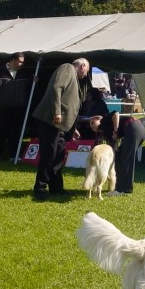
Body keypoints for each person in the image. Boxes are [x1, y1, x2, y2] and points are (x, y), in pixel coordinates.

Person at [32, 58, 90, 200]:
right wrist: (57, 112)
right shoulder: (67, 68)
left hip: (61, 124)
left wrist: (72, 127)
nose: (85, 74)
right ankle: (40, 187)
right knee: (49, 154)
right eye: (87, 71)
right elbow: (56, 88)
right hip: (51, 120)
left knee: (58, 154)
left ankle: (56, 187)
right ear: (82, 66)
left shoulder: (74, 76)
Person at [89, 110, 145, 196]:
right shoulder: (105, 132)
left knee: (126, 159)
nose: (91, 125)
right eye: (90, 124)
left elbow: (116, 114)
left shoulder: (104, 120)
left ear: (99, 119)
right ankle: (120, 186)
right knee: (119, 157)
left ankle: (122, 189)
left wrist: (116, 131)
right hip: (138, 129)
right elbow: (114, 148)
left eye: (93, 122)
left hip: (133, 127)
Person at [0, 52, 31, 161]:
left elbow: (30, 86)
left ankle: (14, 155)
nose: (21, 64)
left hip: (19, 106)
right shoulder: (0, 72)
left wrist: (34, 80)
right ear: (13, 60)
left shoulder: (24, 72)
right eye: (20, 62)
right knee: (1, 130)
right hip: (3, 106)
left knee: (16, 131)